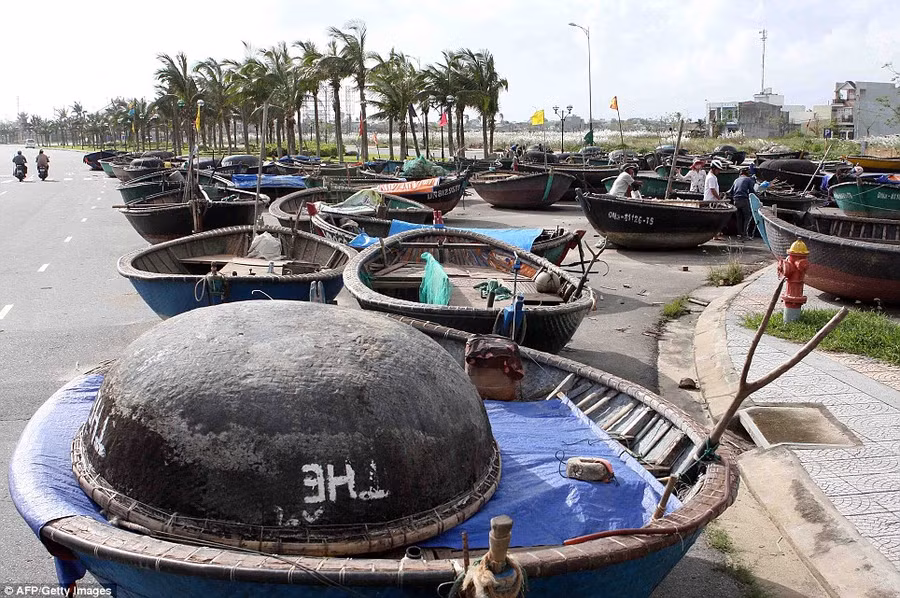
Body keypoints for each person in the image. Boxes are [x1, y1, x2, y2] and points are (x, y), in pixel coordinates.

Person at [729, 168, 755, 239]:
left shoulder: (736, 180)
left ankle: (739, 234)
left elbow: (730, 191)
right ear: (747, 174)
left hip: (736, 201)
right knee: (747, 217)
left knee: (739, 218)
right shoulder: (748, 179)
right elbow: (752, 191)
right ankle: (745, 234)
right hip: (743, 200)